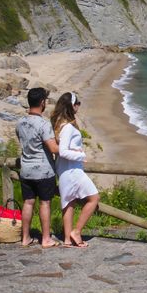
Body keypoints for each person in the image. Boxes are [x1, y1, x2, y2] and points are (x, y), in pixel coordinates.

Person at [50, 92, 100, 248]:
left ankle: (66, 239)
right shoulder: (68, 128)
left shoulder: (61, 124)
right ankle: (76, 231)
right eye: (77, 103)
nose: (79, 105)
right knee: (94, 198)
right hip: (72, 170)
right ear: (71, 105)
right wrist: (81, 155)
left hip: (66, 169)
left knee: (68, 202)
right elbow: (63, 151)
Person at [15, 87, 61, 248]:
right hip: (43, 170)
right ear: (42, 102)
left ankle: (25, 237)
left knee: (28, 203)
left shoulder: (20, 122)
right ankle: (46, 238)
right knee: (45, 203)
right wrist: (70, 148)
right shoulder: (43, 124)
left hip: (26, 169)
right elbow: (53, 148)